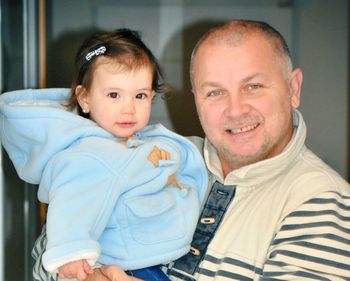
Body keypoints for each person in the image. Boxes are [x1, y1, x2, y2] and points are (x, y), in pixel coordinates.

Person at [77, 19, 350, 280]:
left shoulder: (322, 201)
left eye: (253, 86)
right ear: (196, 98)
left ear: (293, 88)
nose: (235, 110)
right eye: (215, 92)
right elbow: (48, 257)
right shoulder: (163, 158)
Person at [0, 29, 208, 281]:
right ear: (84, 98)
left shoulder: (134, 143)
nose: (128, 108)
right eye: (114, 95)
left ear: (152, 96)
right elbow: (72, 201)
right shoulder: (90, 153)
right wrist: (71, 254)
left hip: (154, 257)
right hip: (130, 266)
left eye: (140, 95)